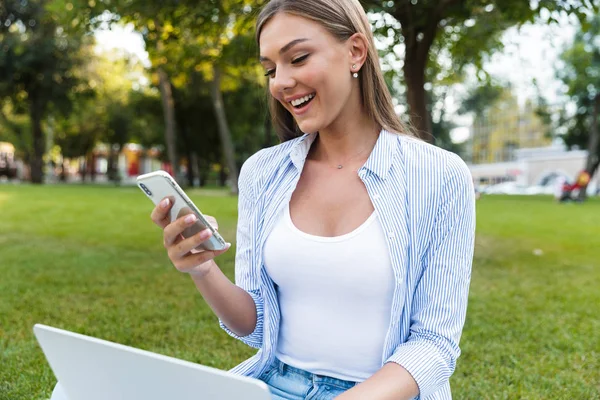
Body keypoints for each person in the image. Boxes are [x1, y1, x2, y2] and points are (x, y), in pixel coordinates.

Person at [151, 1, 476, 399]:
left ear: (356, 51)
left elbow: (434, 346)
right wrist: (202, 268)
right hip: (273, 385)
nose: (280, 82)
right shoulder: (263, 173)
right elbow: (255, 324)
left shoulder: (439, 176)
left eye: (298, 58)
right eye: (270, 69)